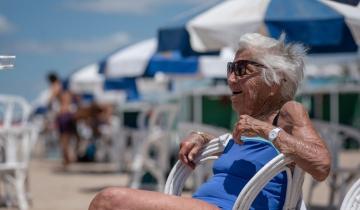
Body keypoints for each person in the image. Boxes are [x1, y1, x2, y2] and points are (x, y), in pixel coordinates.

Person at [88, 33, 331, 210]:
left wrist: (265, 130)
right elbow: (248, 151)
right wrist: (204, 138)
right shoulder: (250, 123)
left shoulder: (288, 112)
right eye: (230, 68)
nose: (231, 78)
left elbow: (321, 164)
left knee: (108, 201)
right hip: (204, 205)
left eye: (241, 69)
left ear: (275, 79)